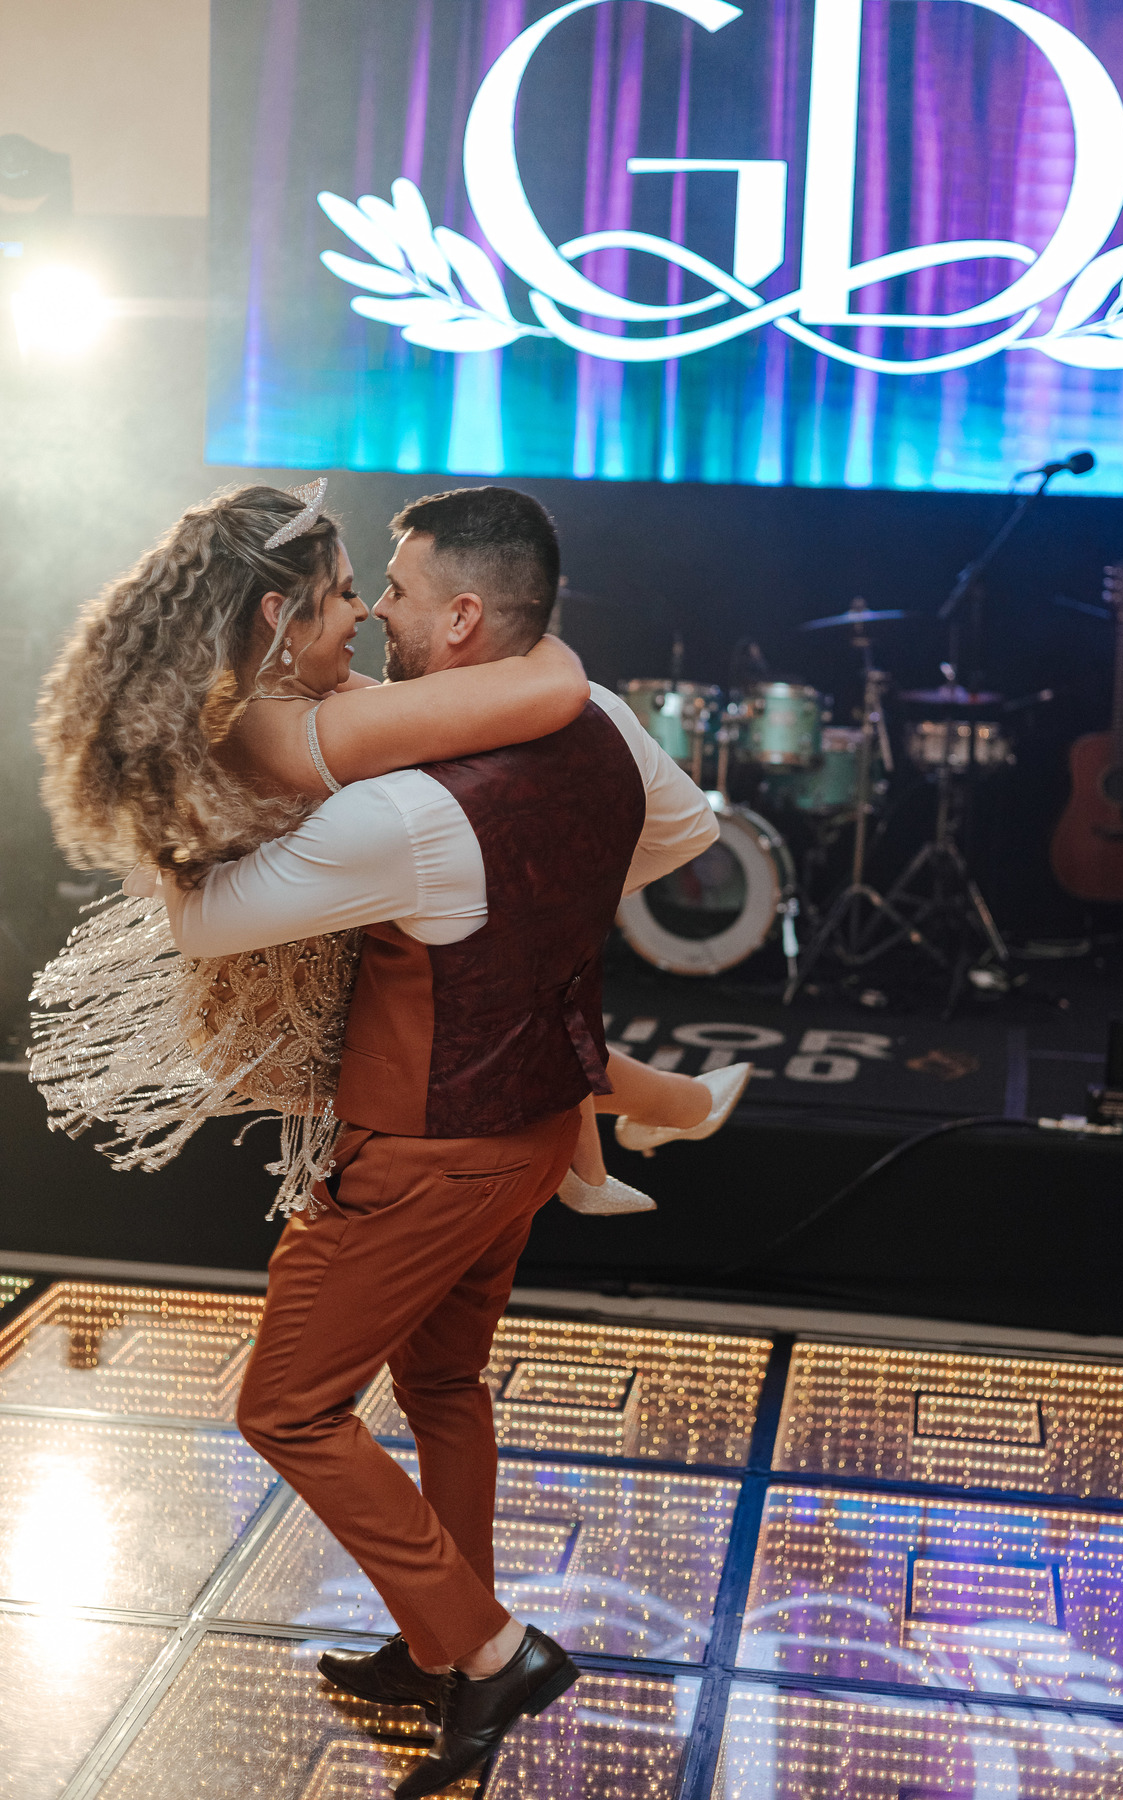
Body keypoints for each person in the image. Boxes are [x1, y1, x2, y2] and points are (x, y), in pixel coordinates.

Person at [33, 480, 742, 1795]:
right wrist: (534, 906)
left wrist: (172, 816)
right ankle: (437, 1650)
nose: (373, 618)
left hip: (425, 1157)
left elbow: (204, 922)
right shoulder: (601, 720)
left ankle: (492, 1650)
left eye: (395, 593)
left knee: (289, 1407)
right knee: (444, 1387)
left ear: (462, 619)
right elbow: (684, 835)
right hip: (532, 1135)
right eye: (357, 594)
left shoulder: (399, 817)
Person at [34, 481, 749, 1215]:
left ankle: (634, 1133)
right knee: (504, 998)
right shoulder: (316, 730)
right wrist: (544, 644)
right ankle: (657, 1120)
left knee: (508, 988)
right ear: (279, 616)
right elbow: (558, 688)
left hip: (304, 928)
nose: (367, 609)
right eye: (346, 591)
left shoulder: (255, 699)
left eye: (380, 589)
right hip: (292, 956)